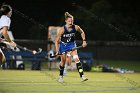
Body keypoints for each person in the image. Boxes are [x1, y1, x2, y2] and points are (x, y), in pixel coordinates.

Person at [55, 12, 88, 83]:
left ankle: (82, 76)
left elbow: (82, 32)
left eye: (72, 21)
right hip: (63, 46)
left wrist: (84, 41)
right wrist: (57, 50)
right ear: (66, 21)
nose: (71, 22)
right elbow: (56, 41)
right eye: (69, 21)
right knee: (63, 62)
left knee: (76, 59)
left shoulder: (76, 27)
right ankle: (60, 77)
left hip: (72, 45)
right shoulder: (62, 29)